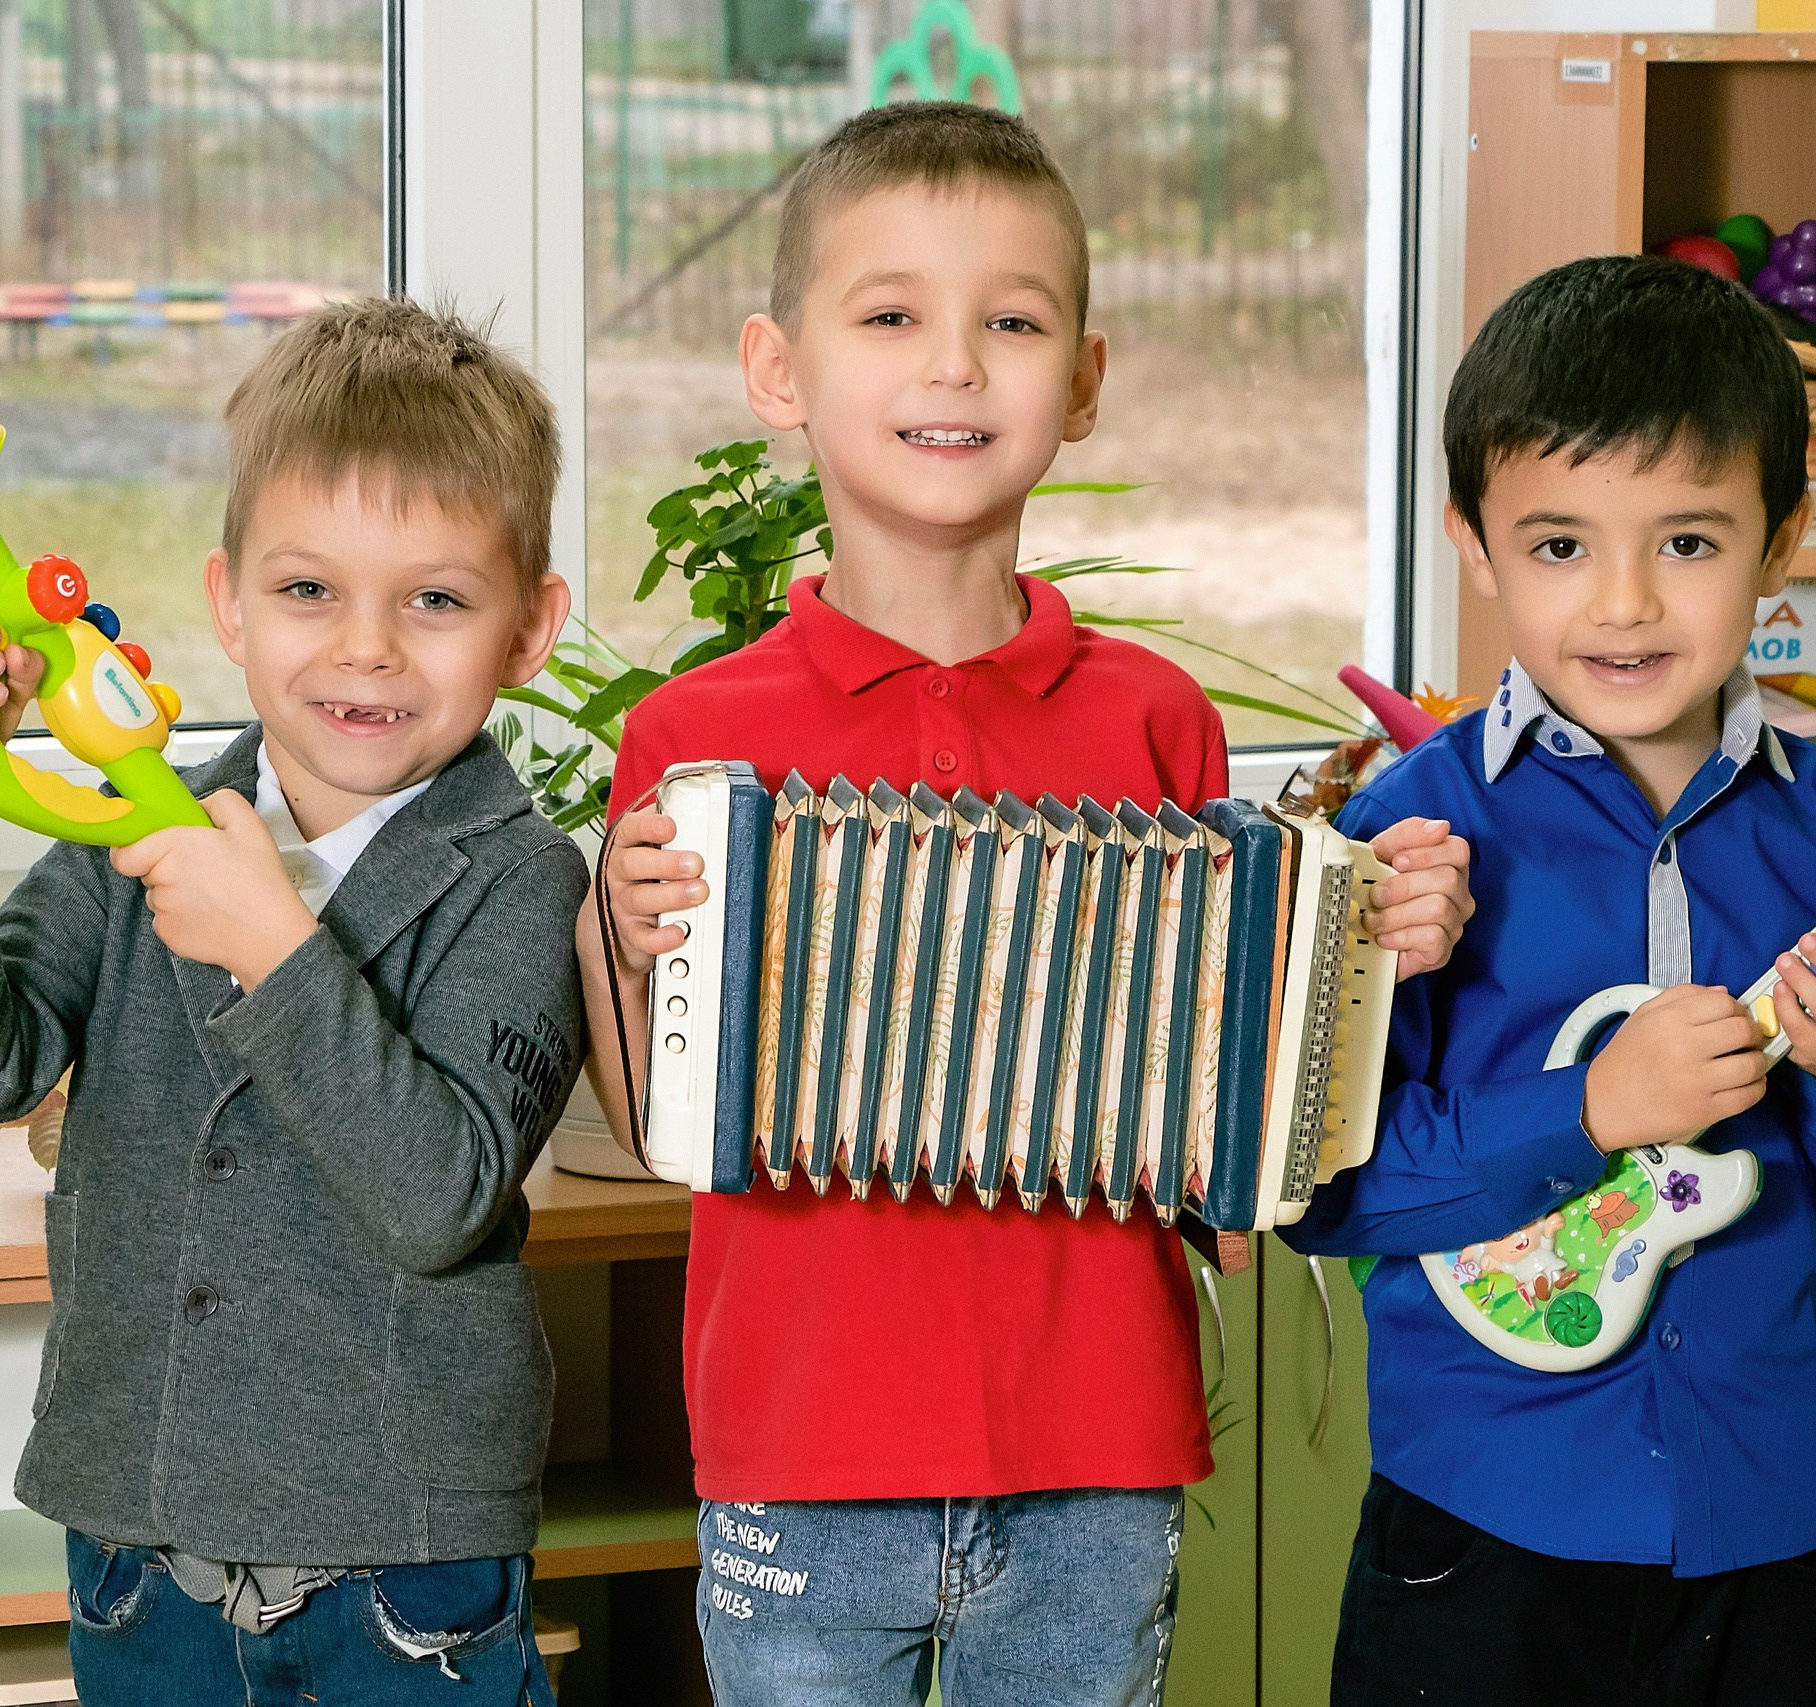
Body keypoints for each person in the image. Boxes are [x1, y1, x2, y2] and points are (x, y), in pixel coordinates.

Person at [578, 102, 1472, 1706]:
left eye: (1011, 321)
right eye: (893, 315)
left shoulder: (1152, 721)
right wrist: (618, 930)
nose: (954, 365)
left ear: (1082, 380)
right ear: (781, 370)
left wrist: (1374, 948)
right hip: (797, 1439)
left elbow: (1236, 1104)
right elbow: (651, 1104)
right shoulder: (693, 734)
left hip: (1097, 1439)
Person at [0, 298, 586, 1707]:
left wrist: (280, 949)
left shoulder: (526, 881)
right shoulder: (130, 825)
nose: (366, 650)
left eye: (434, 599)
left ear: (529, 629)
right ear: (227, 605)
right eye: (309, 591)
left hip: (402, 1563)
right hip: (139, 1537)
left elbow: (440, 1193)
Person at [1286, 254, 1816, 1707]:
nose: (1621, 604)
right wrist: (1588, 1110)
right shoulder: (1403, 837)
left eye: (1687, 542)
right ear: (1474, 543)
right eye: (1558, 547)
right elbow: (1326, 1197)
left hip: (1764, 1535)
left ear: (1780, 542)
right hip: (1478, 1536)